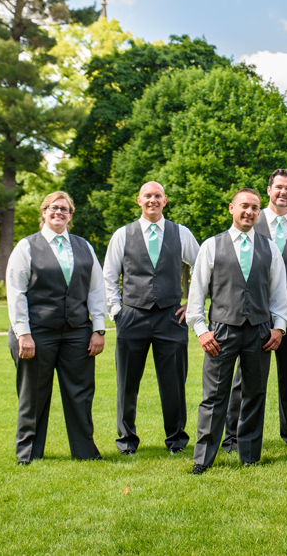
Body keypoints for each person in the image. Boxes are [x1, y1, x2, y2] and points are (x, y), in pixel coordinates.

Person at [186, 188, 287, 474]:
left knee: (255, 394)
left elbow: (279, 292)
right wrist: (201, 330)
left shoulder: (269, 248)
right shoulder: (212, 245)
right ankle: (203, 457)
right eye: (244, 206)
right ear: (231, 208)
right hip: (221, 332)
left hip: (259, 331)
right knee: (214, 395)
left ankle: (250, 455)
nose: (250, 212)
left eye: (255, 208)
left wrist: (279, 327)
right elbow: (197, 293)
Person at [6, 191, 106, 464]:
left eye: (64, 209)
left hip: (76, 331)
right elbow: (16, 292)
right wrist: (23, 334)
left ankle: (85, 452)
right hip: (37, 332)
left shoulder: (84, 246)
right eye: (54, 208)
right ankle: (28, 453)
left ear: (70, 216)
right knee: (33, 395)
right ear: (44, 212)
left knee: (81, 393)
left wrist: (99, 329)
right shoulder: (26, 247)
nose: (58, 212)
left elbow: (96, 289)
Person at [103, 181, 200, 455]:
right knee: (127, 383)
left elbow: (203, 267)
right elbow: (109, 275)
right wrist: (116, 311)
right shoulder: (123, 235)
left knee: (173, 383)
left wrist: (191, 303)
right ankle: (126, 441)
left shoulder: (181, 233)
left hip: (171, 316)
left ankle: (176, 440)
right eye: (148, 196)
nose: (152, 200)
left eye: (157, 196)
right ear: (139, 200)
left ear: (165, 201)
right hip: (132, 316)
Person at [223, 168, 287, 452]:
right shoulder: (250, 219)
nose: (283, 192)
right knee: (244, 379)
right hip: (253, 316)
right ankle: (234, 435)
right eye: (278, 187)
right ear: (269, 190)